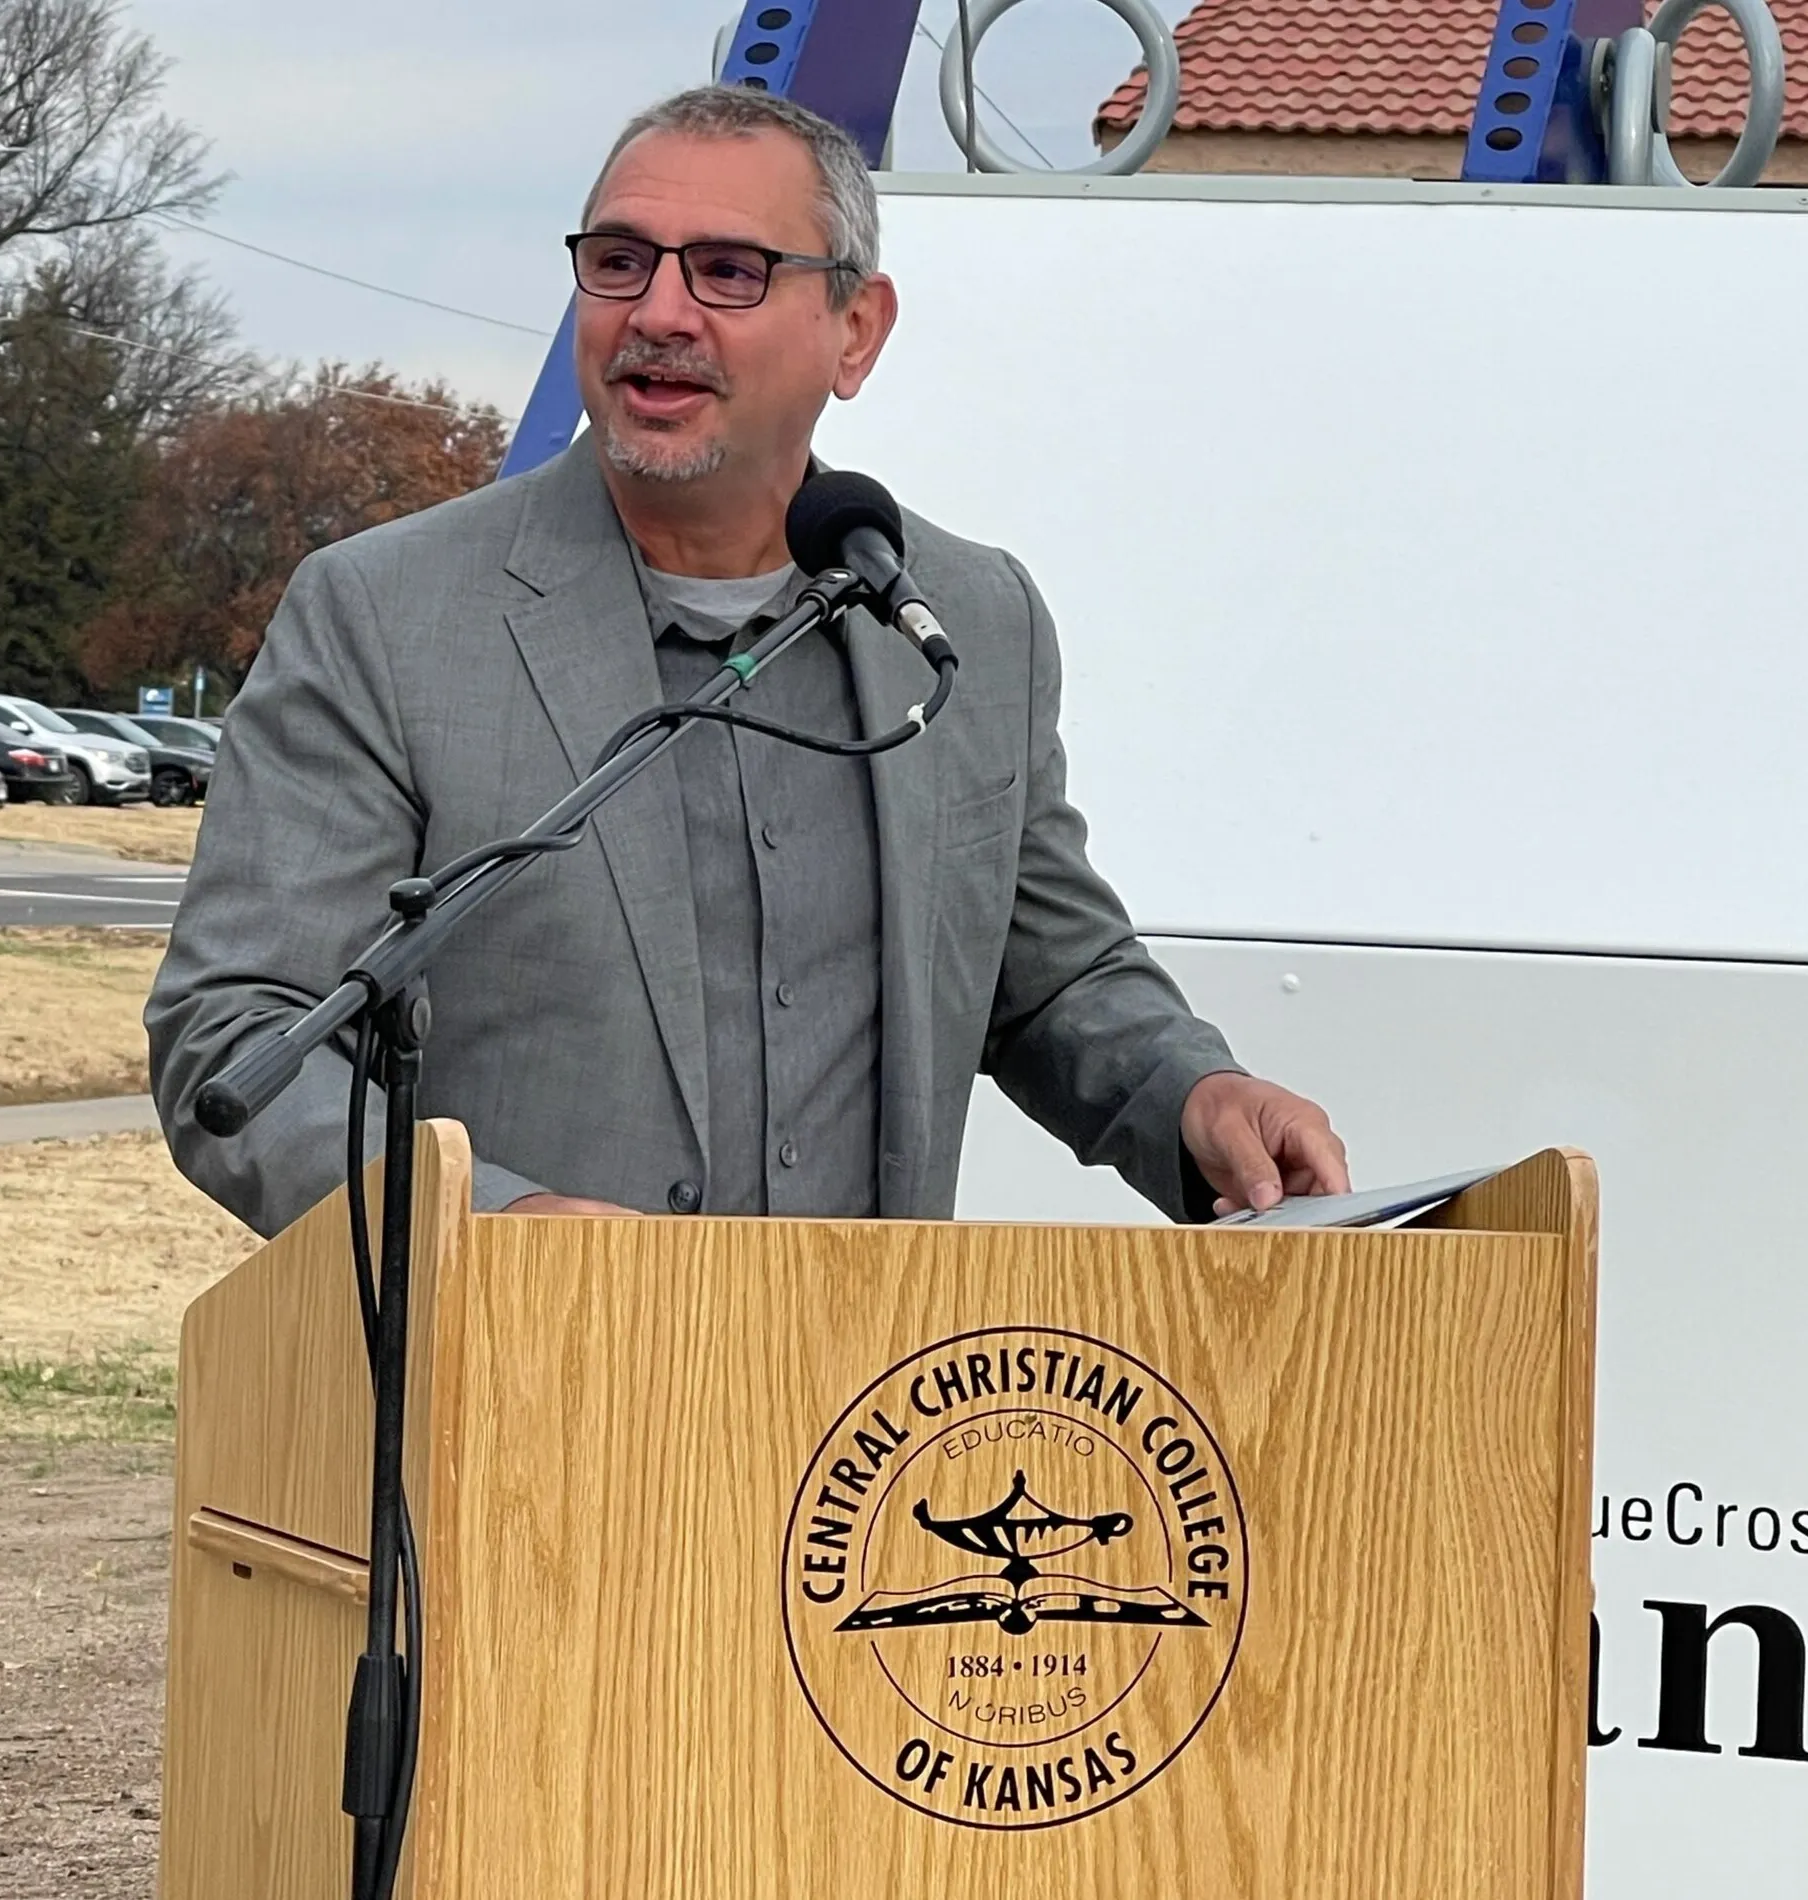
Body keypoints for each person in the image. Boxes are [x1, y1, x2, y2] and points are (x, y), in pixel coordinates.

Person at [148, 85, 1349, 1239]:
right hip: (509, 1404)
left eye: (728, 271)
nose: (659, 311)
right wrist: (493, 1227)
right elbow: (240, 1037)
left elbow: (1046, 980)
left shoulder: (969, 618)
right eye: (619, 262)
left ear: (855, 331)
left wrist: (1194, 1094)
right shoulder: (386, 616)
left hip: (866, 1424)